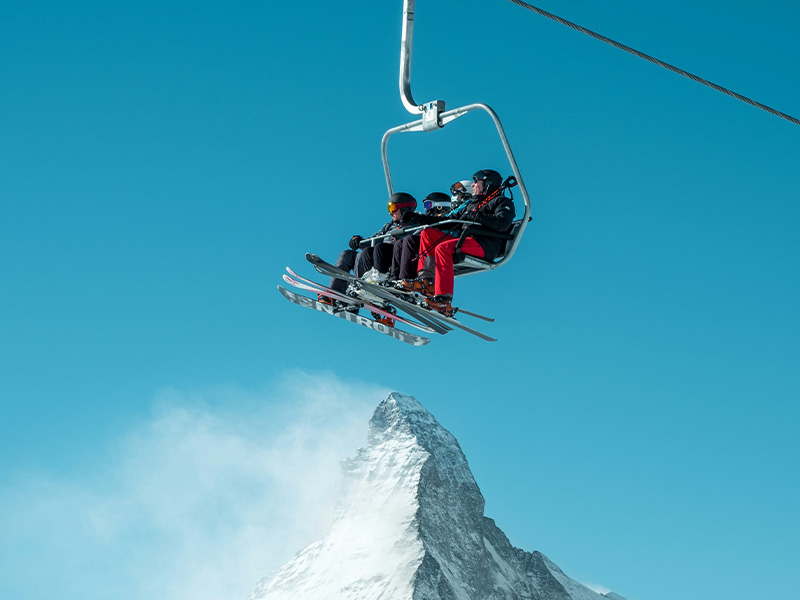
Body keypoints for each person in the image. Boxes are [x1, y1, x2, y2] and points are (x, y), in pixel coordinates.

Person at [405, 169, 515, 317]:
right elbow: (447, 222)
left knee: (443, 248)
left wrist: (477, 217)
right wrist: (422, 220)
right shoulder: (472, 204)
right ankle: (427, 282)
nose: (474, 185)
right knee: (428, 234)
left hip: (484, 244)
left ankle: (444, 299)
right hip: (466, 240)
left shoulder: (501, 202)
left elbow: (502, 223)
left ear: (487, 185)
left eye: (477, 182)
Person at [319, 192, 417, 305]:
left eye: (393, 208)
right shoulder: (388, 227)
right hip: (373, 261)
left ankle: (361, 291)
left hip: (390, 266)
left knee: (370, 251)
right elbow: (374, 240)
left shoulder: (414, 227)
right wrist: (359, 241)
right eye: (389, 208)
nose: (391, 213)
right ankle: (335, 293)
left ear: (405, 209)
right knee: (347, 255)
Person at [390, 192, 450, 283]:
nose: (426, 209)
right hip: (428, 242)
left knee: (410, 240)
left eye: (428, 205)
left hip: (439, 243)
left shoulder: (446, 218)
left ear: (439, 206)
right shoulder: (428, 219)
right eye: (425, 205)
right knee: (399, 243)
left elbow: (445, 227)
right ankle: (395, 279)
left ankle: (407, 278)